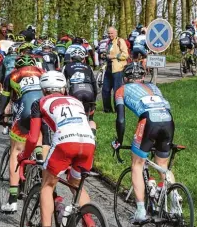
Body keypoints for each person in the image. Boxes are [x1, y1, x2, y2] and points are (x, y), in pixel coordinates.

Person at [17, 71, 96, 227]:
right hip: (88, 142)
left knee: (47, 186)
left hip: (65, 143)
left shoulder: (39, 102)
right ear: (64, 88)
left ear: (43, 90)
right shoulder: (76, 101)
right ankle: (91, 222)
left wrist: (23, 156)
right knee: (76, 182)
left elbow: (33, 138)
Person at [112, 62, 175, 223]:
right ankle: (175, 200)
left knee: (137, 164)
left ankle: (140, 211)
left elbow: (120, 119)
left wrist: (119, 140)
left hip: (149, 122)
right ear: (143, 77)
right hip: (168, 121)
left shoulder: (121, 90)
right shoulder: (154, 87)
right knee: (162, 165)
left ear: (125, 78)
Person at [0, 54, 45, 213]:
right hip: (46, 110)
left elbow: (3, 102)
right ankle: (39, 157)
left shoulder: (13, 75)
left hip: (25, 114)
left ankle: (12, 200)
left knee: (16, 151)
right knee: (40, 134)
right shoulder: (42, 73)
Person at [62, 47, 98, 134]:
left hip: (75, 92)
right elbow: (94, 84)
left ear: (71, 59)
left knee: (75, 116)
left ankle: (77, 134)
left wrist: (64, 97)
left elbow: (62, 83)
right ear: (83, 59)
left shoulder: (66, 66)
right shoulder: (88, 67)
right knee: (90, 118)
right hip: (90, 92)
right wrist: (94, 99)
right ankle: (92, 136)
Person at [101, 26, 129, 113]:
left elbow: (125, 55)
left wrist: (113, 56)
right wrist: (104, 55)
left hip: (117, 69)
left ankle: (118, 110)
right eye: (108, 33)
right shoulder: (109, 42)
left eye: (111, 33)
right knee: (105, 89)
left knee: (117, 90)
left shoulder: (120, 41)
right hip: (109, 68)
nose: (110, 35)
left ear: (115, 33)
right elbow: (108, 53)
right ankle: (107, 109)